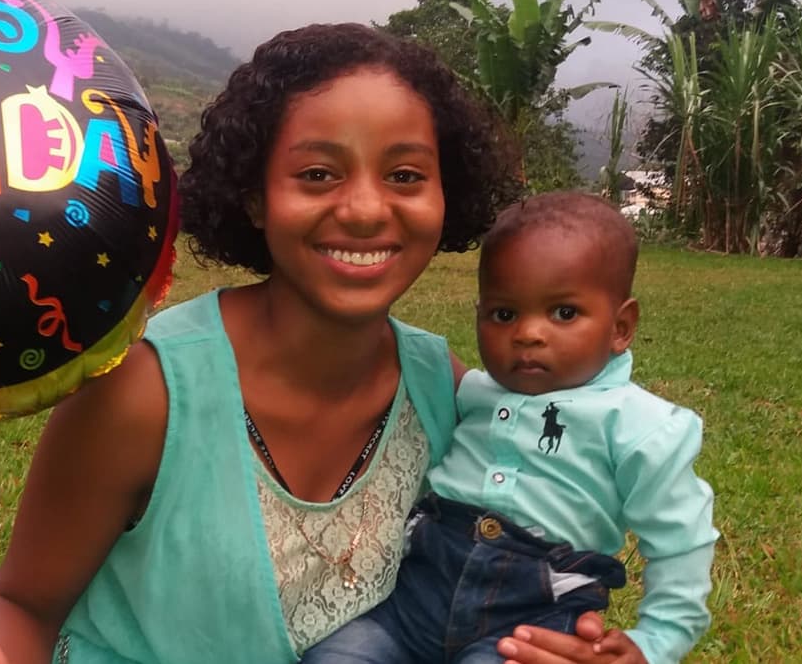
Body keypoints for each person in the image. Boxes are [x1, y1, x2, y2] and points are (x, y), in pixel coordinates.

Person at [0, 25, 631, 664]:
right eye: (318, 174)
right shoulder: (144, 389)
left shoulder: (447, 394)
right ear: (255, 198)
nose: (366, 209)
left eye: (405, 176)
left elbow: (495, 582)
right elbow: (22, 602)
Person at [303, 192, 717, 664]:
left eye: (564, 313)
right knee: (336, 655)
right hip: (416, 598)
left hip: (534, 618)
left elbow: (682, 542)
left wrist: (656, 641)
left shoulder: (640, 425)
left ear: (621, 326)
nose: (527, 333)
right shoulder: (471, 393)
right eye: (504, 314)